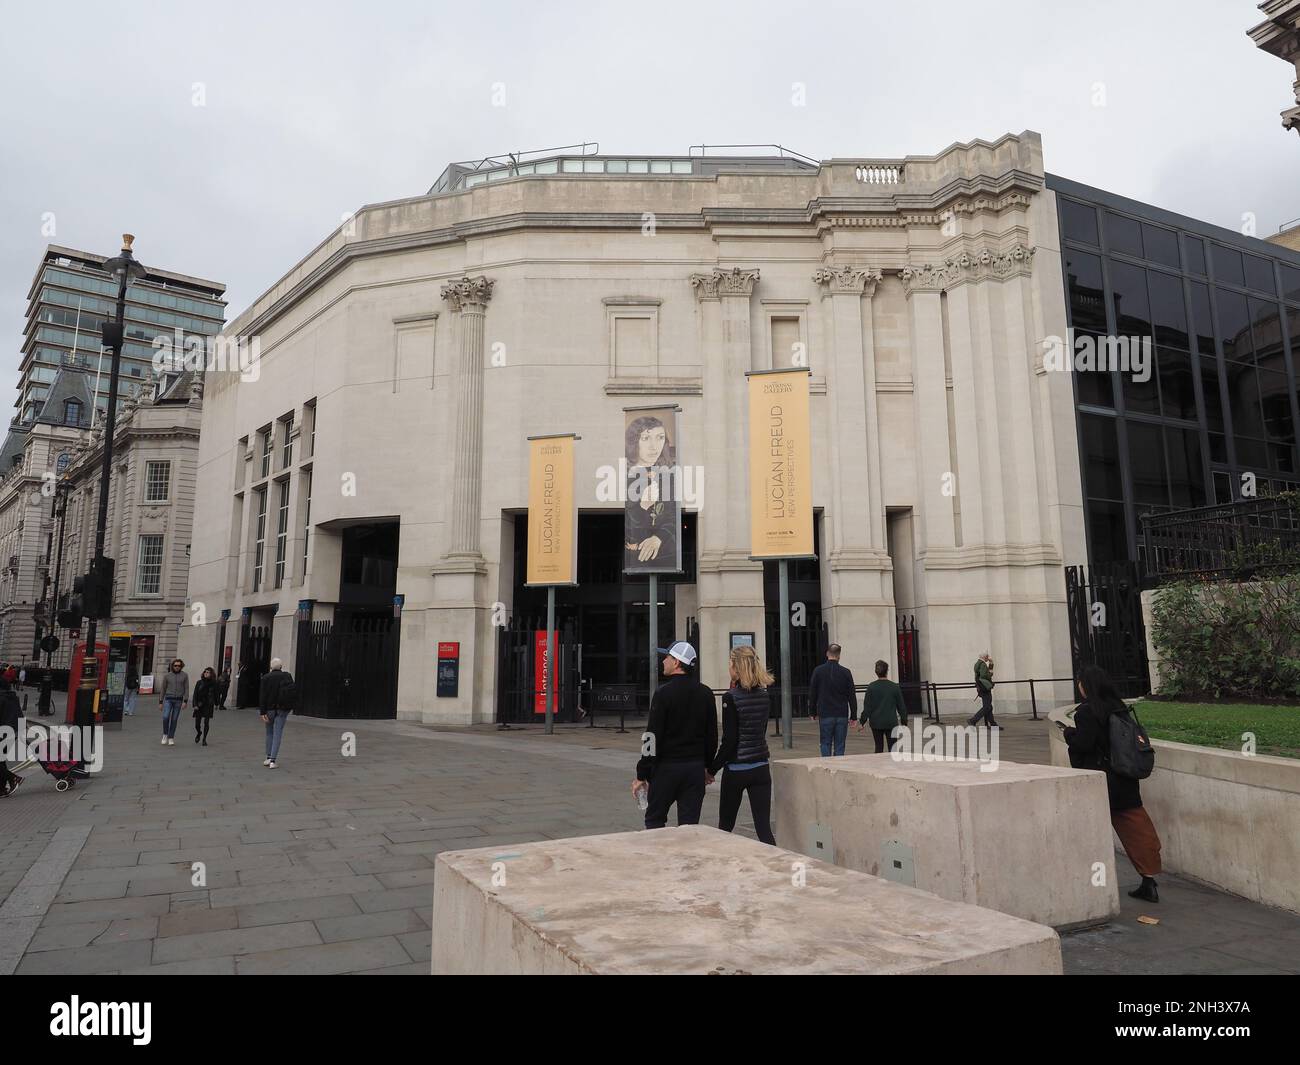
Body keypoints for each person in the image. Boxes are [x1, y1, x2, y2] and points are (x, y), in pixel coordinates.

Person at [1064, 665, 1163, 903]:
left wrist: (1069, 735)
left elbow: (1085, 744)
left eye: (1080, 682)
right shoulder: (1118, 707)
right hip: (1123, 776)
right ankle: (1149, 877)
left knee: (1090, 831)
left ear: (1086, 685)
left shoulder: (1087, 712)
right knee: (1137, 829)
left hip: (1098, 779)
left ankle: (1092, 881)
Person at [631, 641, 717, 829]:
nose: (664, 661)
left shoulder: (663, 694)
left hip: (666, 769)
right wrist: (708, 768)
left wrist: (642, 773)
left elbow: (651, 737)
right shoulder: (706, 693)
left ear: (677, 663)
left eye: (668, 657)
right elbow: (712, 737)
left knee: (655, 820)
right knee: (689, 826)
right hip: (694, 769)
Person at [710, 644, 776, 845]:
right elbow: (760, 730)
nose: (728, 668)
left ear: (737, 668)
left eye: (730, 664)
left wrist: (711, 769)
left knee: (725, 828)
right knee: (764, 829)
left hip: (737, 769)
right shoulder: (764, 696)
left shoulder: (730, 698)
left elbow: (729, 741)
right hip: (761, 767)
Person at [623, 415, 678, 568]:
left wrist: (659, 537)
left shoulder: (668, 474)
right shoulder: (623, 476)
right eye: (646, 438)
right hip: (636, 561)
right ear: (634, 442)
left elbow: (675, 515)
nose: (654, 446)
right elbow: (627, 529)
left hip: (667, 557)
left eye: (660, 438)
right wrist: (642, 507)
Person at [808, 643, 856, 756]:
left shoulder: (818, 671)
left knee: (825, 743)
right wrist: (853, 716)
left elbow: (813, 693)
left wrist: (812, 711)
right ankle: (837, 768)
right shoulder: (846, 672)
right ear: (839, 655)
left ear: (827, 654)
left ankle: (826, 768)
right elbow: (851, 695)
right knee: (840, 745)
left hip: (825, 713)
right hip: (841, 714)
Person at [859, 659, 908, 753]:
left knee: (878, 747)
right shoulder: (894, 687)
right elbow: (901, 706)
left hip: (876, 722)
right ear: (887, 671)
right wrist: (904, 721)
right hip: (891, 722)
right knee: (893, 748)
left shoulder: (871, 687)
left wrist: (862, 721)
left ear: (876, 672)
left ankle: (878, 766)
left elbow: (868, 707)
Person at [259, 658, 296, 768]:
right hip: (282, 709)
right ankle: (273, 761)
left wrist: (262, 712)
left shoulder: (265, 678)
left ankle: (268, 757)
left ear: (271, 667)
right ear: (281, 666)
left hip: (269, 709)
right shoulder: (287, 676)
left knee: (269, 733)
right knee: (277, 733)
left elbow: (262, 696)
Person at [0, 675, 23, 797]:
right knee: (1, 760)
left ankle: (13, 778)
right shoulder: (12, 697)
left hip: (3, 732)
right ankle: (2, 789)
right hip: (13, 732)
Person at [158, 659, 189, 745]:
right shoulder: (167, 676)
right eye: (175, 665)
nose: (177, 667)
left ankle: (171, 737)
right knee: (165, 717)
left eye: (179, 666)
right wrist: (160, 702)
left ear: (181, 666)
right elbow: (163, 689)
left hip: (178, 700)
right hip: (168, 699)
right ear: (172, 666)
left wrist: (185, 701)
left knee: (174, 719)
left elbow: (186, 688)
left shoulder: (185, 675)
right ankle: (165, 734)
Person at [968, 651, 999, 728]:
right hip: (985, 687)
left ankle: (993, 724)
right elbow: (984, 675)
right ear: (985, 657)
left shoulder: (977, 663)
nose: (988, 657)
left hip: (981, 687)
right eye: (987, 656)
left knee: (988, 706)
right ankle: (973, 720)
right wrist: (990, 673)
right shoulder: (983, 665)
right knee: (987, 707)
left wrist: (991, 663)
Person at [192, 667, 218, 745]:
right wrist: (195, 704)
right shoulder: (199, 682)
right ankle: (199, 732)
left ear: (211, 674)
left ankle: (204, 739)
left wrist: (217, 704)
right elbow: (195, 694)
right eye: (205, 672)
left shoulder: (214, 684)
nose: (206, 673)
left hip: (208, 704)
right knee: (197, 724)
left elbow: (216, 694)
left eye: (208, 672)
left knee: (206, 722)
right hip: (199, 704)